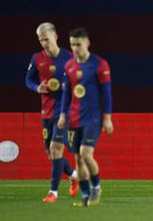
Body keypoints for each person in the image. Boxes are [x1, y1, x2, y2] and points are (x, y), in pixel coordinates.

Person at [57, 28, 114, 207]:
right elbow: (66, 94)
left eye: (78, 44)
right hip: (74, 118)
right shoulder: (69, 66)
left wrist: (107, 118)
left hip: (93, 118)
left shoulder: (99, 64)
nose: (75, 48)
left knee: (86, 153)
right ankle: (85, 195)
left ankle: (96, 187)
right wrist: (63, 115)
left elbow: (107, 93)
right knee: (77, 159)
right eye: (72, 44)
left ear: (87, 43)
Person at [25, 22, 78, 202]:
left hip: (64, 112)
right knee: (51, 154)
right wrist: (36, 87)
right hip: (46, 112)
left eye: (46, 39)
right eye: (41, 40)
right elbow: (28, 80)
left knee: (56, 149)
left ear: (55, 36)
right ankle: (73, 175)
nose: (44, 43)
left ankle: (53, 192)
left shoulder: (69, 58)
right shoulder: (37, 58)